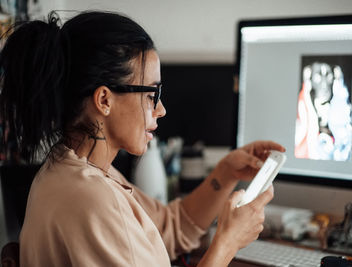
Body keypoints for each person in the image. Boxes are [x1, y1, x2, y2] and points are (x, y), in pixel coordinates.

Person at [0, 11, 285, 266]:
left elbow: (170, 228)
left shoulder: (79, 168)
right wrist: (227, 243)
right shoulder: (91, 199)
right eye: (152, 95)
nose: (161, 109)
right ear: (104, 100)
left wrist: (226, 171)